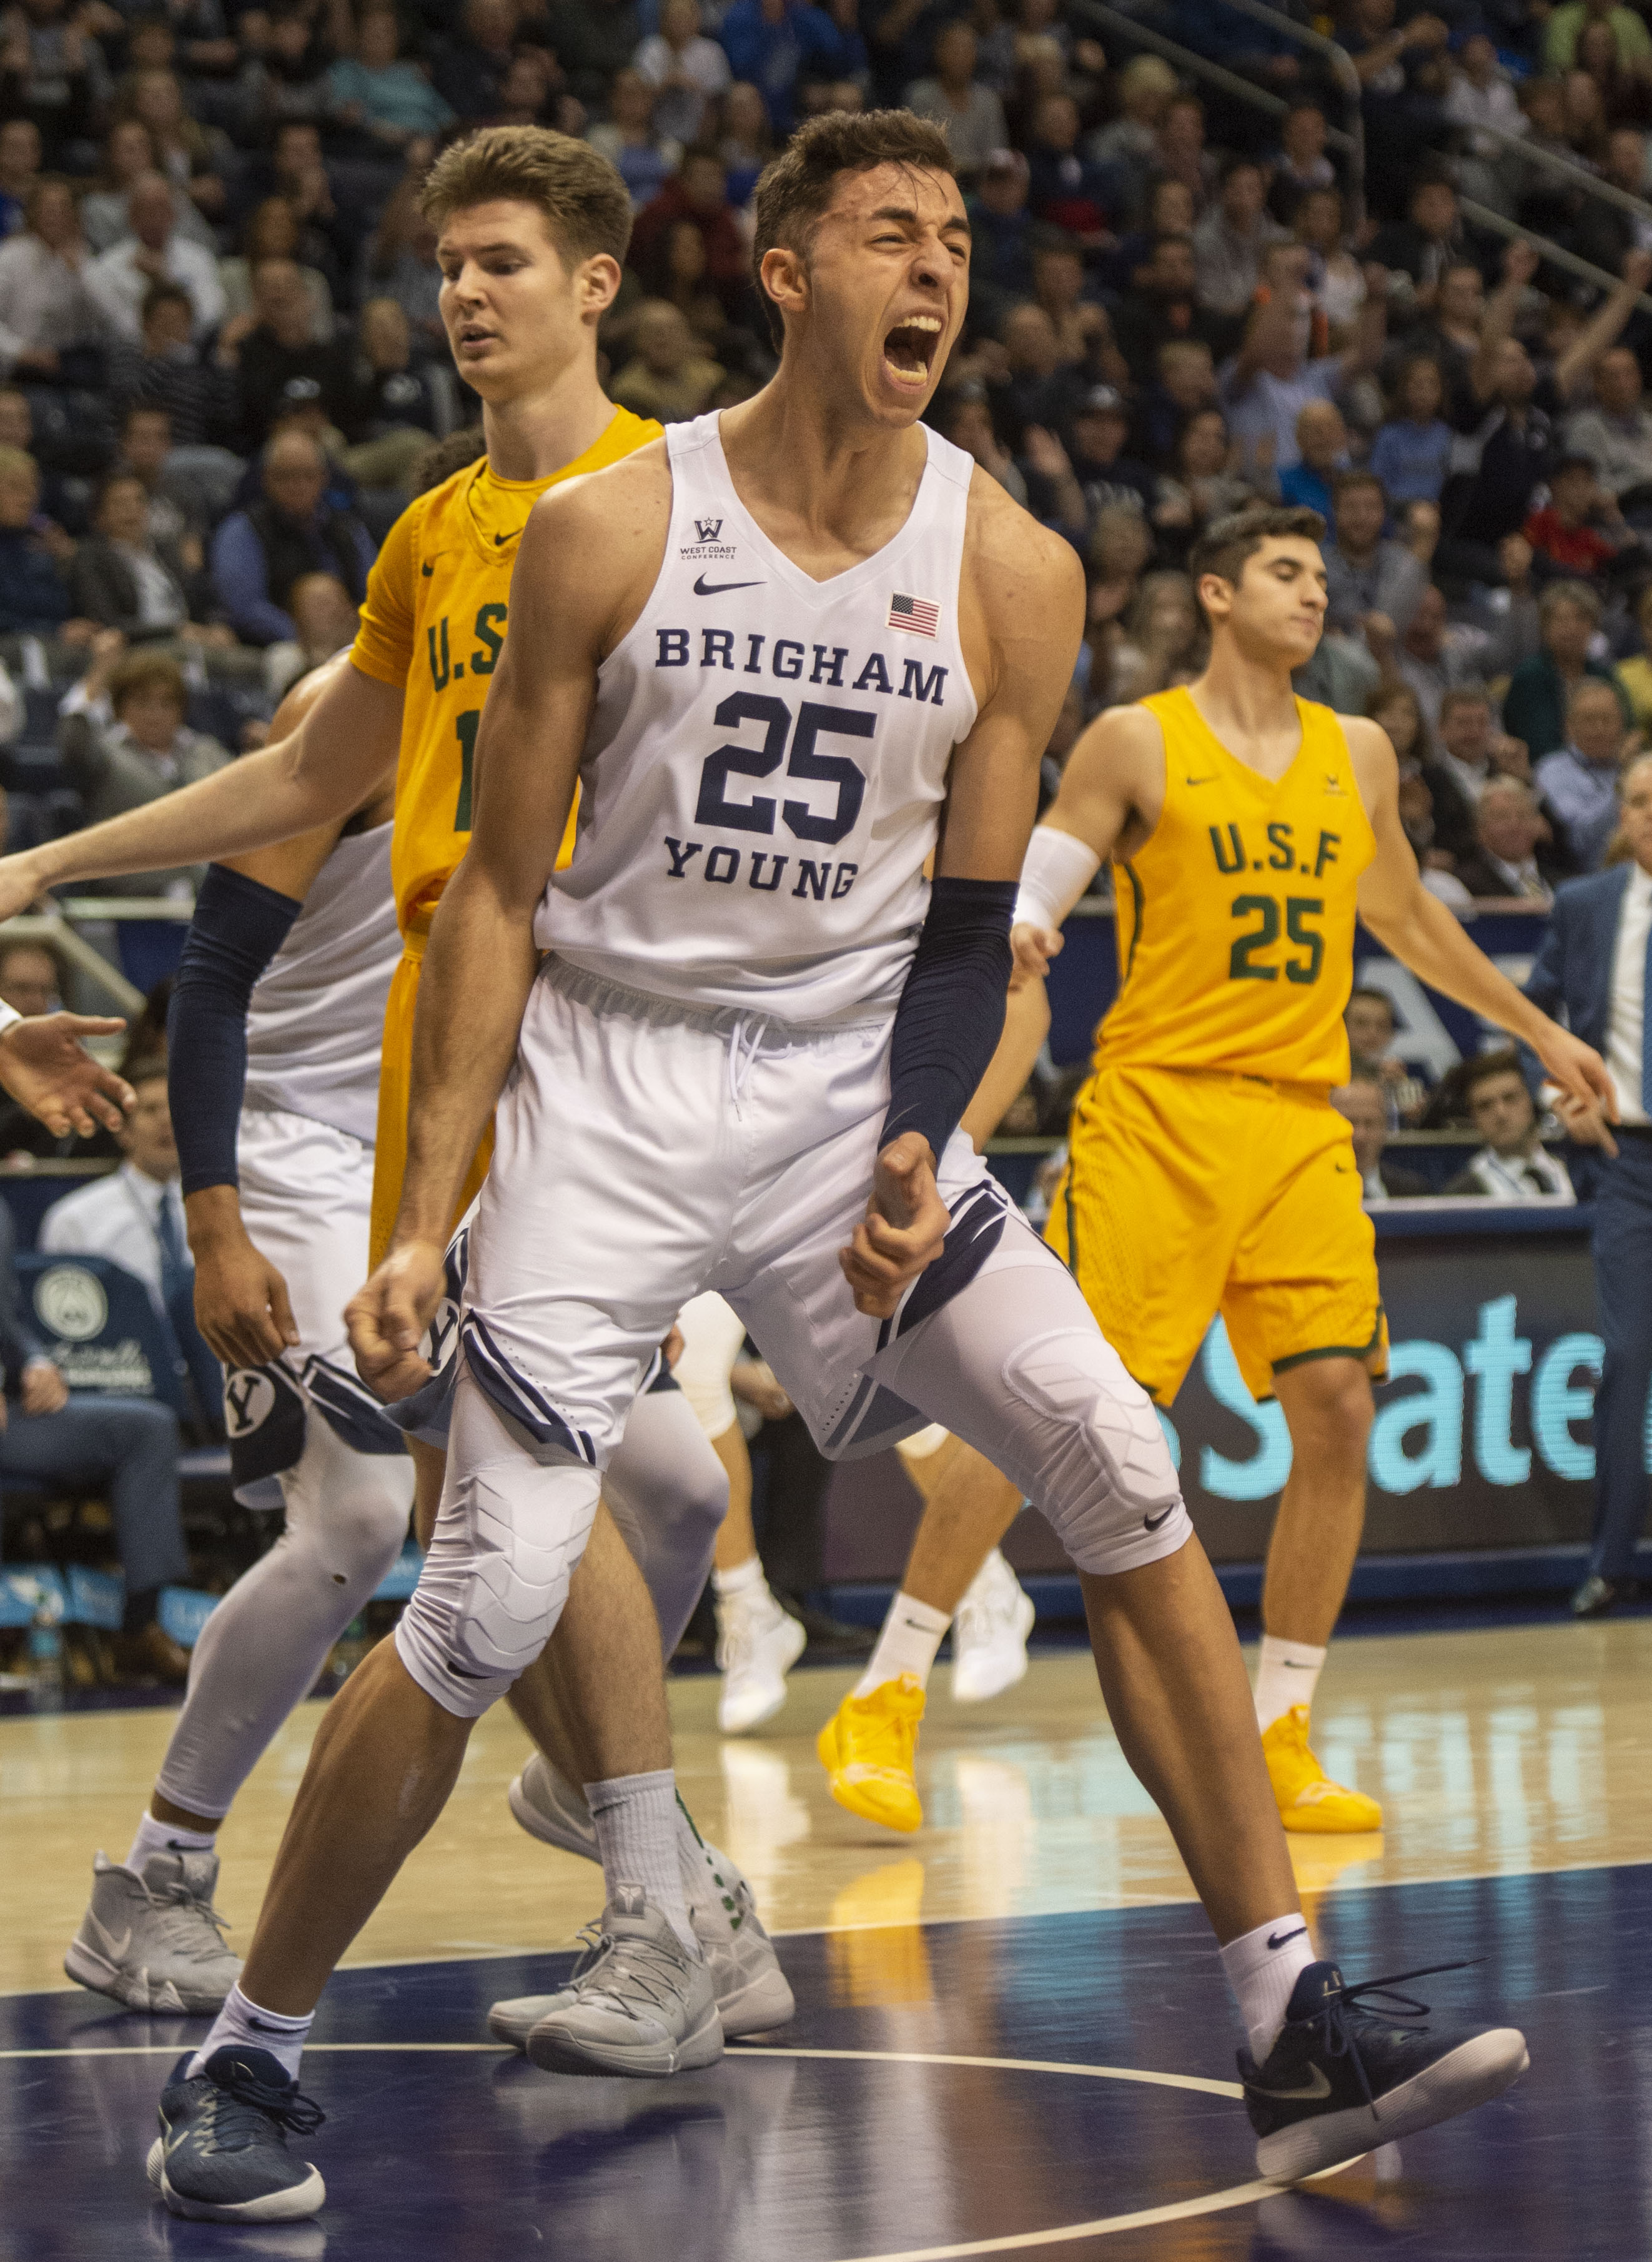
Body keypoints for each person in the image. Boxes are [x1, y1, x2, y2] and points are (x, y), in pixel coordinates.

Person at [142, 116, 1531, 2222]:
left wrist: (914, 1141)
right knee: (494, 1588)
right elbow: (497, 896)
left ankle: (1282, 2029)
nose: (939, 270)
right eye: (893, 233)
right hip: (596, 1083)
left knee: (1114, 1458)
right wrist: (425, 1214)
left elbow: (967, 939)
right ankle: (246, 2061)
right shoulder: (609, 531)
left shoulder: (1013, 568)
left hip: (823, 1092)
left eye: (961, 239)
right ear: (790, 270)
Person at [0, 119, 792, 2132]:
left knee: (669, 1494)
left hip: (637, 1066)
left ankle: (596, 1822)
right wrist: (44, 862)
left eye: (503, 260)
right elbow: (297, 785)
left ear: (598, 282)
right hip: (421, 1110)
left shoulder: (698, 505)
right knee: (450, 1499)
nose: (460, 293)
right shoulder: (435, 534)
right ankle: (639, 1880)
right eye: (444, 264)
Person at [849, 499, 1608, 1865]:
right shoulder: (1138, 737)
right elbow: (1039, 887)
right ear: (1212, 592)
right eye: (1280, 572)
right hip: (1157, 1115)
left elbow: (1407, 917)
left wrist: (1542, 1029)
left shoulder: (1358, 750)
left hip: (1302, 1120)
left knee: (1335, 1406)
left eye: (1318, 577)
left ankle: (1282, 1724)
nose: (1311, 595)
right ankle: (885, 1691)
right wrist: (1015, 926)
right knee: (1061, 1413)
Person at [1525, 753, 1652, 1615]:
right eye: (1642, 800)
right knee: (1628, 1356)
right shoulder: (1585, 907)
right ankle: (1611, 1561)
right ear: (1624, 814)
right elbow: (1529, 1016)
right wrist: (1556, 1096)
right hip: (1627, 1160)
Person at [0, 1184, 192, 1682]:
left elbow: (9, 1318)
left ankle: (139, 1625)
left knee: (146, 1428)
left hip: (9, 1416)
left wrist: (37, 1361)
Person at [57, 638, 230, 894]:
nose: (155, 713)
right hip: (133, 901)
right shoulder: (105, 753)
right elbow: (72, 741)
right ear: (120, 708)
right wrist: (100, 674)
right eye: (142, 702)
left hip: (212, 896)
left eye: (166, 703)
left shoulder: (207, 752)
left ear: (182, 709)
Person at [209, 430, 373, 647]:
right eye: (286, 476)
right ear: (267, 479)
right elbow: (247, 609)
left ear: (324, 478)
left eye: (309, 475)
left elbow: (374, 593)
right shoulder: (242, 531)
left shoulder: (349, 528)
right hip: (280, 648)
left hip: (352, 641)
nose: (299, 485)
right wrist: (308, 637)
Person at [86, 172, 225, 344]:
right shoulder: (105, 268)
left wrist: (163, 279)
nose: (156, 218)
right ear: (132, 217)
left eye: (163, 208)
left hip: (192, 352)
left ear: (174, 214)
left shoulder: (198, 258)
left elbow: (211, 312)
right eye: (147, 210)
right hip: (135, 358)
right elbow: (122, 327)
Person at [1503, 581, 1623, 765]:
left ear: (1594, 626)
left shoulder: (1604, 676)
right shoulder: (1530, 676)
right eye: (1561, 619)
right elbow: (1539, 746)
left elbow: (1625, 728)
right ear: (1544, 627)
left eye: (1581, 618)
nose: (1571, 628)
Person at [1443, 1049, 1576, 1200]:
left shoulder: (1575, 1172)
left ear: (1531, 1101)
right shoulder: (1462, 1195)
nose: (1501, 1114)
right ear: (1474, 1119)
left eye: (1510, 1098)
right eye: (1485, 1106)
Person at [1535, 677, 1632, 871]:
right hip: (1590, 879)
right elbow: (1578, 839)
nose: (1600, 729)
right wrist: (1625, 784)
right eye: (1589, 720)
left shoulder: (1637, 767)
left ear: (1621, 725)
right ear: (1569, 727)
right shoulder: (1554, 771)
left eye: (1608, 719)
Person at [1453, 778, 1563, 903]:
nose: (1515, 825)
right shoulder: (1464, 884)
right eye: (1502, 817)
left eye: (1523, 815)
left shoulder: (1563, 881)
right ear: (1480, 830)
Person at [1332, 1072, 1430, 1199]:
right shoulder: (1307, 1190)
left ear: (1385, 1127)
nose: (1360, 1136)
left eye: (1370, 1123)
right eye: (1349, 1122)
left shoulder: (1414, 1192)